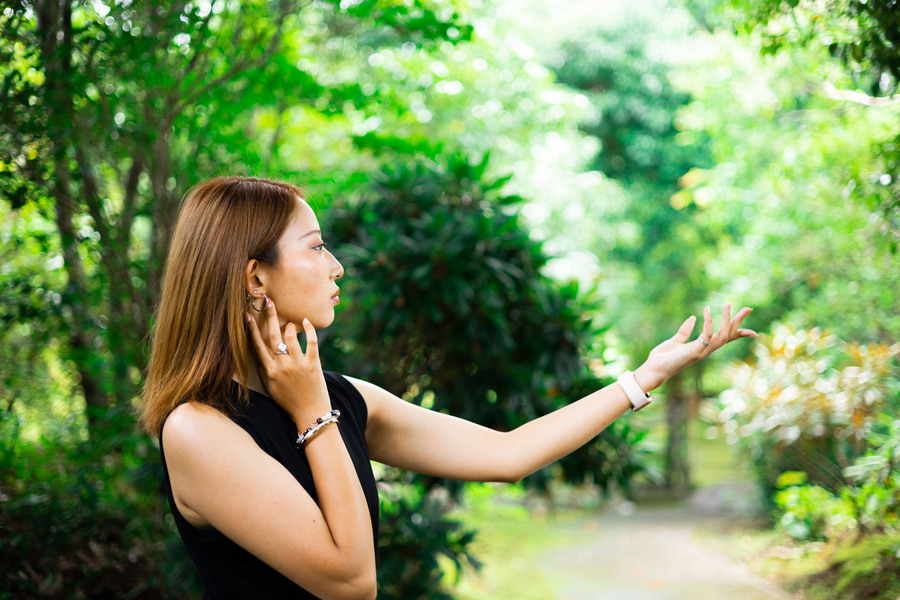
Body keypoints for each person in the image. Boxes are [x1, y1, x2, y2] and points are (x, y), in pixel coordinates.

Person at [140, 175, 757, 600]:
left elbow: (505, 454)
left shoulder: (343, 397)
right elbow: (349, 581)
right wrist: (312, 412)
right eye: (318, 247)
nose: (338, 267)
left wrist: (642, 377)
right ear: (255, 279)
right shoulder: (199, 429)